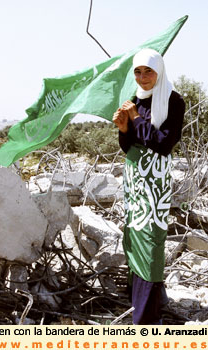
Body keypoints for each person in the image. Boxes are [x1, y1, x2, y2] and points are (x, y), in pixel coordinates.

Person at [112, 48, 185, 325]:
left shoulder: (173, 101)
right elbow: (128, 146)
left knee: (151, 241)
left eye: (149, 71)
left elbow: (163, 144)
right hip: (134, 179)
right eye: (138, 72)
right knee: (133, 235)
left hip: (154, 183)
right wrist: (123, 128)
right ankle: (146, 299)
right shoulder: (134, 101)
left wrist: (137, 119)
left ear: (160, 71)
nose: (143, 78)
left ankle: (145, 320)